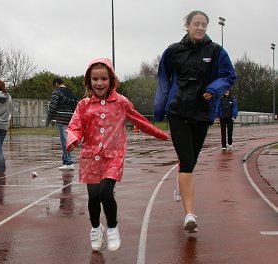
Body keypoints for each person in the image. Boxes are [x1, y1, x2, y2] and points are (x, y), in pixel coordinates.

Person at [66, 58, 168, 252]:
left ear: (111, 79)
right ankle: (96, 228)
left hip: (113, 156)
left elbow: (139, 121)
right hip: (90, 158)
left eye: (104, 78)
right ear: (89, 81)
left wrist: (160, 134)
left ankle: (112, 227)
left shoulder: (121, 103)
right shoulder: (84, 105)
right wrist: (73, 139)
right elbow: (75, 126)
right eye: (95, 79)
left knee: (106, 192)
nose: (99, 83)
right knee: (93, 198)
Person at [154, 10, 237, 233]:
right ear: (187, 26)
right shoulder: (173, 51)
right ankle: (190, 215)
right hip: (178, 111)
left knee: (191, 159)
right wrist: (159, 108)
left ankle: (183, 182)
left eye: (204, 25)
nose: (200, 28)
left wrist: (213, 89)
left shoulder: (216, 51)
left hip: (202, 112)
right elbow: (163, 78)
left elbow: (230, 75)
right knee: (187, 161)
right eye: (196, 24)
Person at [46, 77, 78, 170]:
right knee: (67, 139)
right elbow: (76, 107)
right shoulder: (71, 93)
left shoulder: (57, 92)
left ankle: (69, 162)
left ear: (56, 84)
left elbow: (52, 107)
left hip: (62, 119)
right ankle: (65, 161)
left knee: (65, 141)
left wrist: (48, 120)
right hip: (71, 119)